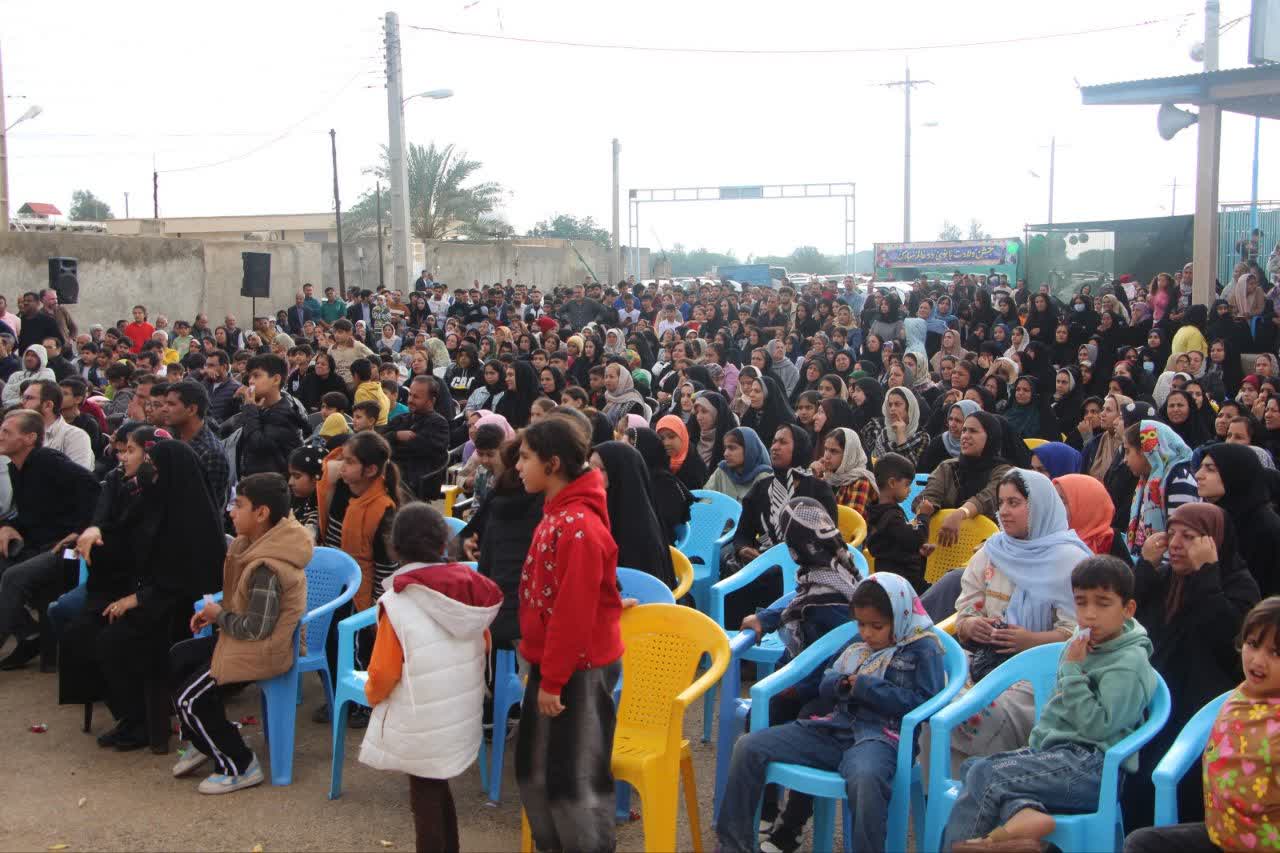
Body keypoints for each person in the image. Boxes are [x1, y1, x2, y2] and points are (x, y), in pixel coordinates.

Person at [717, 572, 944, 853]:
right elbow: (827, 680)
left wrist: (867, 688)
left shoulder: (923, 648)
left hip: (881, 738)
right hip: (834, 728)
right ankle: (733, 845)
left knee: (866, 780)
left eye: (877, 626)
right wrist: (839, 684)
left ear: (900, 616)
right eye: (861, 624)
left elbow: (926, 703)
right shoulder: (858, 643)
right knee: (749, 747)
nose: (867, 633)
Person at [945, 556, 1157, 852]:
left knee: (986, 775)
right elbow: (1057, 711)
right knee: (973, 766)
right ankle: (1024, 814)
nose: (1090, 614)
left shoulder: (1127, 663)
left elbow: (1098, 728)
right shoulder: (1083, 644)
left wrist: (1072, 671)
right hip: (1058, 756)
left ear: (1128, 609)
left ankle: (960, 846)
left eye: (1103, 603)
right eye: (1081, 603)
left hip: (1093, 769)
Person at [63, 438, 225, 751]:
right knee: (80, 633)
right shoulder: (151, 500)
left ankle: (142, 723)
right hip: (149, 594)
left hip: (180, 610)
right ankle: (129, 715)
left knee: (114, 641)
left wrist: (137, 599)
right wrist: (96, 533)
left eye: (154, 465)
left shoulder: (193, 517)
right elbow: (125, 538)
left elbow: (185, 578)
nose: (148, 470)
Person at [359, 503, 501, 853]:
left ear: (395, 548)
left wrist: (371, 695)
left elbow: (383, 672)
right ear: (443, 543)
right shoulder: (472, 589)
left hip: (420, 718)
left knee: (424, 800)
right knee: (437, 789)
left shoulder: (398, 602)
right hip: (460, 713)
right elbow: (484, 644)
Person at [514, 417, 623, 853]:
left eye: (525, 457)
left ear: (553, 463)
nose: (518, 466)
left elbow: (573, 610)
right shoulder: (557, 514)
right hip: (555, 663)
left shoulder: (579, 525)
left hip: (577, 667)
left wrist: (554, 679)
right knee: (536, 773)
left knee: (575, 783)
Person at [171, 473, 312, 793]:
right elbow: (245, 603)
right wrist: (217, 614)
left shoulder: (268, 566)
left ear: (261, 513)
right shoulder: (251, 544)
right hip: (244, 641)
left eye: (239, 505)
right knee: (178, 658)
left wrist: (218, 615)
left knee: (190, 698)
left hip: (263, 651)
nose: (231, 511)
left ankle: (239, 764)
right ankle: (204, 740)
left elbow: (256, 629)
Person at [1123, 503, 1261, 831]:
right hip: (1153, 707)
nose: (1175, 544)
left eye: (1189, 537)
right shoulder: (1165, 580)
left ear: (1214, 542)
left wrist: (1206, 574)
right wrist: (1145, 568)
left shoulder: (1239, 586)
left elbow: (1227, 642)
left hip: (1202, 716)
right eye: (1171, 534)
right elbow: (1129, 620)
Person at [741, 496, 864, 853]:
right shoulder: (826, 569)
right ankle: (766, 809)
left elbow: (838, 659)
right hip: (805, 676)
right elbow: (796, 602)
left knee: (805, 725)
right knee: (759, 715)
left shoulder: (834, 598)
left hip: (833, 689)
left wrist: (794, 689)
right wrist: (765, 618)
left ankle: (790, 826)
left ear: (797, 547)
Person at [946, 469, 1088, 770]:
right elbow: (966, 609)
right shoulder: (993, 551)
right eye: (1001, 503)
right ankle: (943, 791)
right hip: (986, 661)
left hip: (1042, 675)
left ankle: (991, 780)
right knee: (936, 691)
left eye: (1015, 503)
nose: (1004, 512)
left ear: (1038, 507)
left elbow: (1081, 633)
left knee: (974, 712)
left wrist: (1029, 641)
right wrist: (972, 625)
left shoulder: (1070, 562)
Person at [1124, 597, 1280, 853]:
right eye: (1253, 644)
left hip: (1267, 845)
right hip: (1224, 836)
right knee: (1140, 843)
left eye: (1275, 653)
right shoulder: (1241, 696)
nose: (1258, 661)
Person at [0, 409, 100, 668]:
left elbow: (92, 487)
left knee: (13, 577)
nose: (0, 436)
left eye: (6, 432)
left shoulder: (47, 460)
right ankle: (28, 634)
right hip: (38, 544)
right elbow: (33, 514)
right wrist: (7, 527)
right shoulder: (18, 468)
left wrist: (81, 530)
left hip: (64, 548)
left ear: (30, 438)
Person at [1196, 441, 1280, 596]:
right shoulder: (1214, 518)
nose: (1198, 475)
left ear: (1235, 473)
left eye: (1210, 469)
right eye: (1201, 467)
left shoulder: (1265, 528)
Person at [590, 440, 678, 587]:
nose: (591, 474)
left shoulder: (641, 533)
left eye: (601, 469)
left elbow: (644, 589)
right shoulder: (596, 509)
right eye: (589, 467)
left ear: (620, 474)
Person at [914, 411, 1013, 540]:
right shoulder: (948, 467)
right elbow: (930, 495)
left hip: (986, 542)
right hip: (942, 540)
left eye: (973, 431)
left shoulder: (1003, 471)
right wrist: (926, 506)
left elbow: (987, 499)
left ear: (990, 436)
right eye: (964, 430)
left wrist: (960, 513)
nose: (965, 436)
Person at [1124, 420, 1198, 562]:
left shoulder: (1179, 479)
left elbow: (1183, 537)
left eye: (1128, 451)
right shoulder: (1148, 480)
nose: (1125, 460)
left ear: (1146, 450)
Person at [225, 353, 308, 478]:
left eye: (256, 376)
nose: (250, 381)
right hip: (258, 478)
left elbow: (258, 446)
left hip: (273, 483)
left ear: (276, 379)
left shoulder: (285, 413)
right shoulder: (266, 405)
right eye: (250, 376)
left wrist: (250, 409)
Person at [378, 375, 449, 500]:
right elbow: (379, 442)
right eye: (410, 395)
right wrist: (396, 436)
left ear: (431, 400)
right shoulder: (401, 419)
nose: (410, 400)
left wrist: (394, 444)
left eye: (416, 397)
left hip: (420, 478)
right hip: (396, 471)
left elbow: (421, 450)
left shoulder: (439, 423)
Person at [864, 453, 927, 594]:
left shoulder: (877, 511)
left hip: (889, 579)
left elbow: (899, 542)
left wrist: (919, 551)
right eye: (907, 485)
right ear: (892, 483)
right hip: (903, 584)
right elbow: (916, 538)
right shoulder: (891, 516)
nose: (909, 490)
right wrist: (923, 516)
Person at [163, 380, 230, 509]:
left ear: (192, 410)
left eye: (171, 404)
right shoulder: (172, 437)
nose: (164, 409)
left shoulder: (210, 453)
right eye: (165, 403)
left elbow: (202, 506)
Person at [1053, 473, 1131, 562]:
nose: (1054, 507)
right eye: (1054, 500)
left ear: (1084, 506)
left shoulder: (1108, 540)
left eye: (1062, 501)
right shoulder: (1049, 538)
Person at [20, 378, 93, 469]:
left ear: (48, 405)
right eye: (23, 397)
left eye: (29, 398)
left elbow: (78, 476)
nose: (22, 402)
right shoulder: (17, 432)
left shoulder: (75, 436)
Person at [811, 426, 877, 519]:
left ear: (848, 455)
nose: (826, 456)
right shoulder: (829, 476)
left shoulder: (860, 481)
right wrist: (812, 477)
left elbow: (851, 520)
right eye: (826, 449)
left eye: (834, 451)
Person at [702, 426, 775, 501]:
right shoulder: (722, 471)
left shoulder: (764, 478)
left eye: (732, 448)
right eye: (725, 448)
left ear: (749, 450)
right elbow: (705, 499)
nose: (725, 454)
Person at [866, 387, 928, 466]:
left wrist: (900, 435)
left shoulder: (922, 437)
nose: (892, 409)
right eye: (890, 405)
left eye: (897, 404)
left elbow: (910, 468)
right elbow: (874, 465)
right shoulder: (884, 434)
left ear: (909, 407)